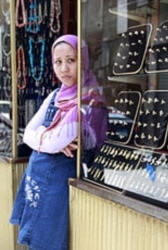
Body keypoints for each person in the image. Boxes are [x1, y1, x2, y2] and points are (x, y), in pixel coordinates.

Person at [10, 34, 107, 250]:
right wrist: (48, 135)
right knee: (35, 238)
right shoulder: (55, 94)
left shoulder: (88, 99)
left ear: (83, 61)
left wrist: (43, 136)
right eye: (58, 62)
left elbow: (54, 142)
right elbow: (27, 133)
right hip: (37, 177)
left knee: (49, 240)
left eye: (71, 60)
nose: (64, 68)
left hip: (57, 183)